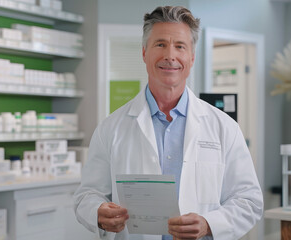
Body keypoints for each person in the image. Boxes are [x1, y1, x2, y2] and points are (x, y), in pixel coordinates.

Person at [73, 5, 263, 240]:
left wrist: (209, 224)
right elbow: (86, 196)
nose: (170, 56)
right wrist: (98, 212)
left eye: (180, 46)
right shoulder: (111, 128)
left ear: (191, 57)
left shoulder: (224, 127)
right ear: (144, 53)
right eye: (160, 44)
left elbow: (249, 201)